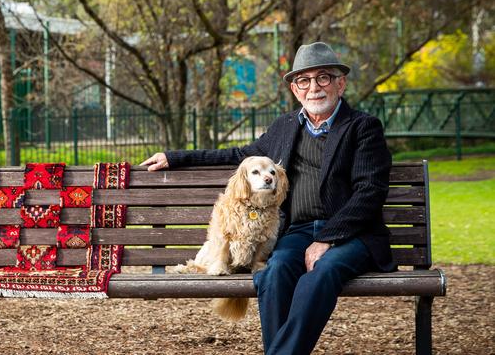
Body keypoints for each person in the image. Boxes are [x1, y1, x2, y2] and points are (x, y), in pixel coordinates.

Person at [140, 42, 395, 355]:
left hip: (350, 236)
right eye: (304, 80)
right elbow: (238, 154)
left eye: (323, 78)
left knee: (322, 273)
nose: (314, 87)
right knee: (273, 273)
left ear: (341, 83)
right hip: (298, 232)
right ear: (294, 89)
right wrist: (176, 157)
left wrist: (327, 238)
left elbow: (369, 192)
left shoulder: (363, 127)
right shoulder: (285, 127)